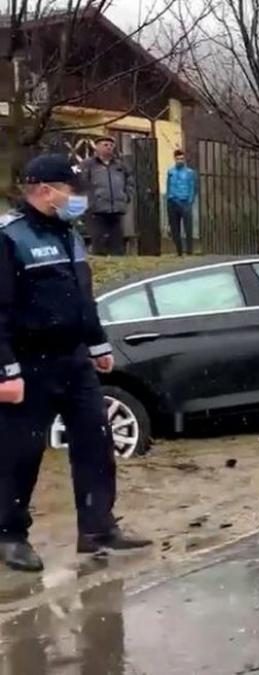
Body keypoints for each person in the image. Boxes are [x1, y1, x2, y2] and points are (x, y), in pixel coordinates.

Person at [0, 154, 150, 572]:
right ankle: (10, 535)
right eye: (71, 189)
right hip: (28, 366)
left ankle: (97, 528)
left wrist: (98, 345)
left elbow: (84, 299)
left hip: (74, 359)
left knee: (95, 443)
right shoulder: (11, 237)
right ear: (45, 190)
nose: (77, 197)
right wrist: (5, 369)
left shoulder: (70, 234)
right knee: (20, 453)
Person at [79, 137, 132, 256]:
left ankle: (118, 264)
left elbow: (129, 181)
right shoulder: (88, 164)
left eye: (111, 145)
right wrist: (89, 201)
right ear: (97, 147)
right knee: (99, 241)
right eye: (105, 145)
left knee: (117, 243)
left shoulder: (119, 165)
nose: (109, 147)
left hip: (116, 208)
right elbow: (81, 184)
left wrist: (126, 196)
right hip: (96, 209)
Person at [165, 149, 197, 256]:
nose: (180, 161)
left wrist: (190, 201)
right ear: (175, 159)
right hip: (172, 201)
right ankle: (179, 251)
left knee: (188, 228)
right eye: (178, 159)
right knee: (175, 228)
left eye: (182, 159)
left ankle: (189, 251)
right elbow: (168, 186)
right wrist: (168, 199)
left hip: (184, 202)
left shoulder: (190, 173)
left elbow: (193, 187)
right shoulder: (170, 172)